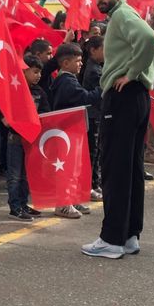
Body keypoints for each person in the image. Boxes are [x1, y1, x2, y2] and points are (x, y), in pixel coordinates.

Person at [82, 0, 154, 260]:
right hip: (137, 96)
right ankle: (129, 235)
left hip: (122, 97)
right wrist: (144, 76)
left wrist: (132, 74)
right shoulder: (128, 14)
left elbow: (149, 40)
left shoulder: (121, 15)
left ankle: (111, 239)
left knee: (115, 168)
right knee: (131, 168)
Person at [49, 43, 101, 219]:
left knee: (75, 168)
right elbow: (85, 98)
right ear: (65, 63)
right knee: (67, 169)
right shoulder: (66, 81)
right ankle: (63, 203)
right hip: (67, 131)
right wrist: (102, 89)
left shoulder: (69, 79)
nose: (81, 64)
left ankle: (72, 198)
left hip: (73, 130)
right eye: (77, 61)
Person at [6, 54, 49, 221]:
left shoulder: (39, 92)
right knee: (15, 175)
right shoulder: (13, 89)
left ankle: (23, 204)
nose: (38, 75)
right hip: (15, 139)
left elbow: (46, 112)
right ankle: (14, 207)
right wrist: (4, 118)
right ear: (23, 71)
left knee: (25, 175)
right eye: (35, 72)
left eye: (40, 72)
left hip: (31, 140)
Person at [79, 36, 104, 200]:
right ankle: (90, 185)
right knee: (92, 151)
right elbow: (98, 93)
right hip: (92, 114)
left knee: (97, 150)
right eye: (103, 49)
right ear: (93, 50)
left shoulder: (97, 66)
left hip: (97, 114)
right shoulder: (93, 70)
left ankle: (95, 182)